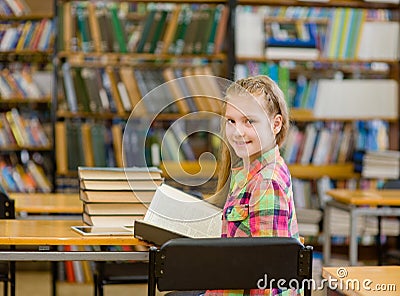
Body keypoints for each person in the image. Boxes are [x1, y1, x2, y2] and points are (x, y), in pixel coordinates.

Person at [168, 75, 300, 296]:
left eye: (249, 121)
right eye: (231, 121)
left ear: (276, 124)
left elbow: (267, 275)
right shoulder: (250, 171)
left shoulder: (266, 184)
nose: (238, 131)